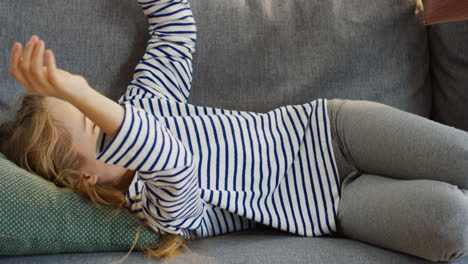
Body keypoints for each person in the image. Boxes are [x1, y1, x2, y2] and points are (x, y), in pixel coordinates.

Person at [2, 0, 468, 262]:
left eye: (95, 105)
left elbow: (176, 28)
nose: (106, 110)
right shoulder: (155, 209)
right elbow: (171, 160)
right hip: (335, 205)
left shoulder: (145, 102)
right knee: (450, 219)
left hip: (331, 129)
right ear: (87, 177)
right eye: (92, 120)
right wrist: (80, 92)